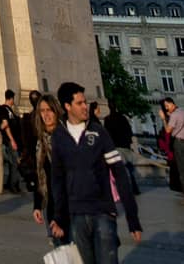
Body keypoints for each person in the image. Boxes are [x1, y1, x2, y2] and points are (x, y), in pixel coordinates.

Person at [51, 80, 141, 263]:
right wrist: (58, 217)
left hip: (102, 212)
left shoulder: (99, 133)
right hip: (76, 215)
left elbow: (120, 173)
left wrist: (132, 217)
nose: (86, 106)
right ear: (67, 106)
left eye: (85, 102)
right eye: (80, 103)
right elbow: (57, 180)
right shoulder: (59, 137)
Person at [32, 93, 64, 239]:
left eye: (49, 110)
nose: (46, 114)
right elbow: (39, 173)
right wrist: (37, 205)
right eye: (42, 111)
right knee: (59, 250)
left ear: (56, 110)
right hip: (50, 202)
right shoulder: (40, 141)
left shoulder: (66, 136)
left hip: (67, 202)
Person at [161, 96, 184, 193]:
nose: (166, 108)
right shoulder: (182, 111)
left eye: (167, 105)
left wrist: (163, 119)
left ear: (171, 103)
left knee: (182, 170)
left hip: (179, 143)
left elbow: (168, 130)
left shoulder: (174, 115)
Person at [1, 88, 23, 193]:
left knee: (12, 162)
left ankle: (11, 183)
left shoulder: (9, 110)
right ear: (11, 98)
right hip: (10, 140)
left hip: (12, 139)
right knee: (15, 162)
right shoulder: (5, 110)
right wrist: (12, 140)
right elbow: (6, 126)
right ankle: (14, 185)